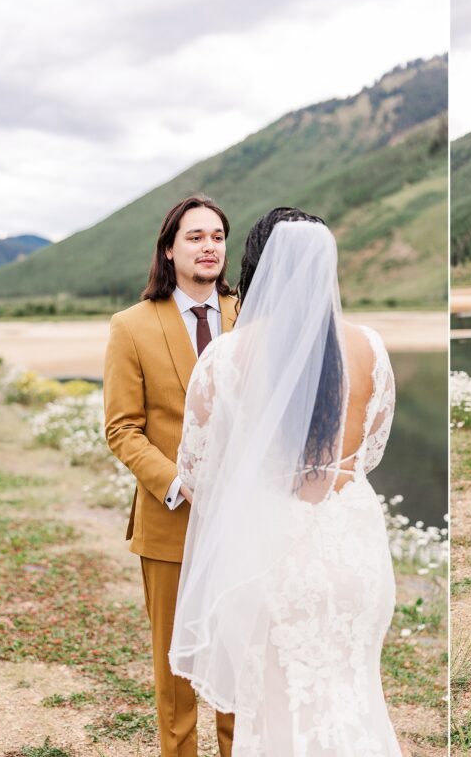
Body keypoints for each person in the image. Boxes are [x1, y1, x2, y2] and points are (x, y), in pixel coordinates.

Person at [168, 208, 402, 756]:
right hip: (353, 547)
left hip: (270, 558)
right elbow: (370, 452)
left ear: (256, 268)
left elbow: (196, 470)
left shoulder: (226, 356)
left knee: (279, 711)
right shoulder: (370, 347)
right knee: (354, 698)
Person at [104, 194, 237, 757]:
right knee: (175, 677)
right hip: (171, 523)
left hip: (244, 522)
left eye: (217, 236)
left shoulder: (249, 312)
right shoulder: (131, 327)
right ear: (168, 248)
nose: (209, 247)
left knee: (238, 669)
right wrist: (180, 484)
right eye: (195, 237)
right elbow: (122, 429)